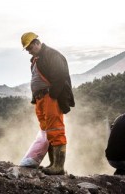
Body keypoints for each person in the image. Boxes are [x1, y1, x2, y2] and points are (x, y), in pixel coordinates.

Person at [21, 32, 75, 175]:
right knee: (47, 132)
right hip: (40, 99)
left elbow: (60, 75)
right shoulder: (36, 59)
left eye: (30, 48)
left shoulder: (52, 55)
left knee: (55, 130)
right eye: (27, 50)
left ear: (37, 43)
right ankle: (53, 163)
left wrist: (53, 96)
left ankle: (58, 166)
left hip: (50, 97)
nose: (29, 51)